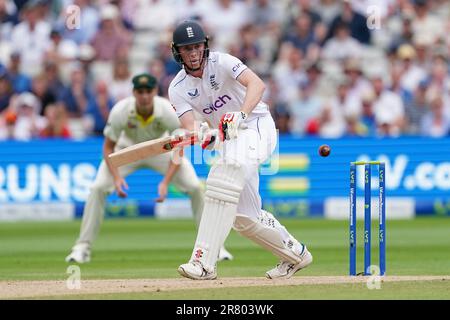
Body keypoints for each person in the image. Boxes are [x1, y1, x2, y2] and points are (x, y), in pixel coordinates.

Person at [169, 20, 312, 280]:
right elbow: (191, 127)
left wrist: (241, 114)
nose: (193, 53)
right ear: (177, 52)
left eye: (197, 46)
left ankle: (203, 263)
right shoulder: (177, 88)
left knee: (221, 176)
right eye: (187, 49)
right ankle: (296, 254)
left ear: (205, 46)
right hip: (230, 141)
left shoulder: (222, 62)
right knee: (245, 219)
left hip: (256, 126)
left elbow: (257, 84)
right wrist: (203, 134)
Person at [65, 73, 233, 263]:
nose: (144, 96)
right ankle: (82, 248)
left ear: (154, 92)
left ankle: (214, 247)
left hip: (161, 149)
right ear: (134, 93)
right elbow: (108, 148)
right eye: (140, 91)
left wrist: (165, 183)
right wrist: (117, 178)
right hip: (126, 150)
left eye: (148, 91)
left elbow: (179, 147)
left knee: (195, 187)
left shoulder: (167, 110)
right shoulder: (121, 110)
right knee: (97, 188)